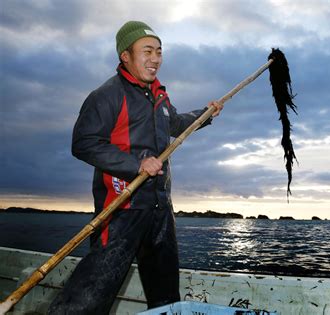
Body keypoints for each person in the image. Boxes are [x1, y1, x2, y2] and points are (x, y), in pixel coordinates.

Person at [48, 21, 223, 314]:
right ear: (125, 56)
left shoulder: (159, 95)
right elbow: (84, 143)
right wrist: (135, 164)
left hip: (159, 208)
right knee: (90, 295)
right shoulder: (107, 95)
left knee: (166, 295)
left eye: (159, 52)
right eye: (147, 51)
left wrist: (205, 114)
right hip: (121, 207)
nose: (155, 59)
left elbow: (176, 123)